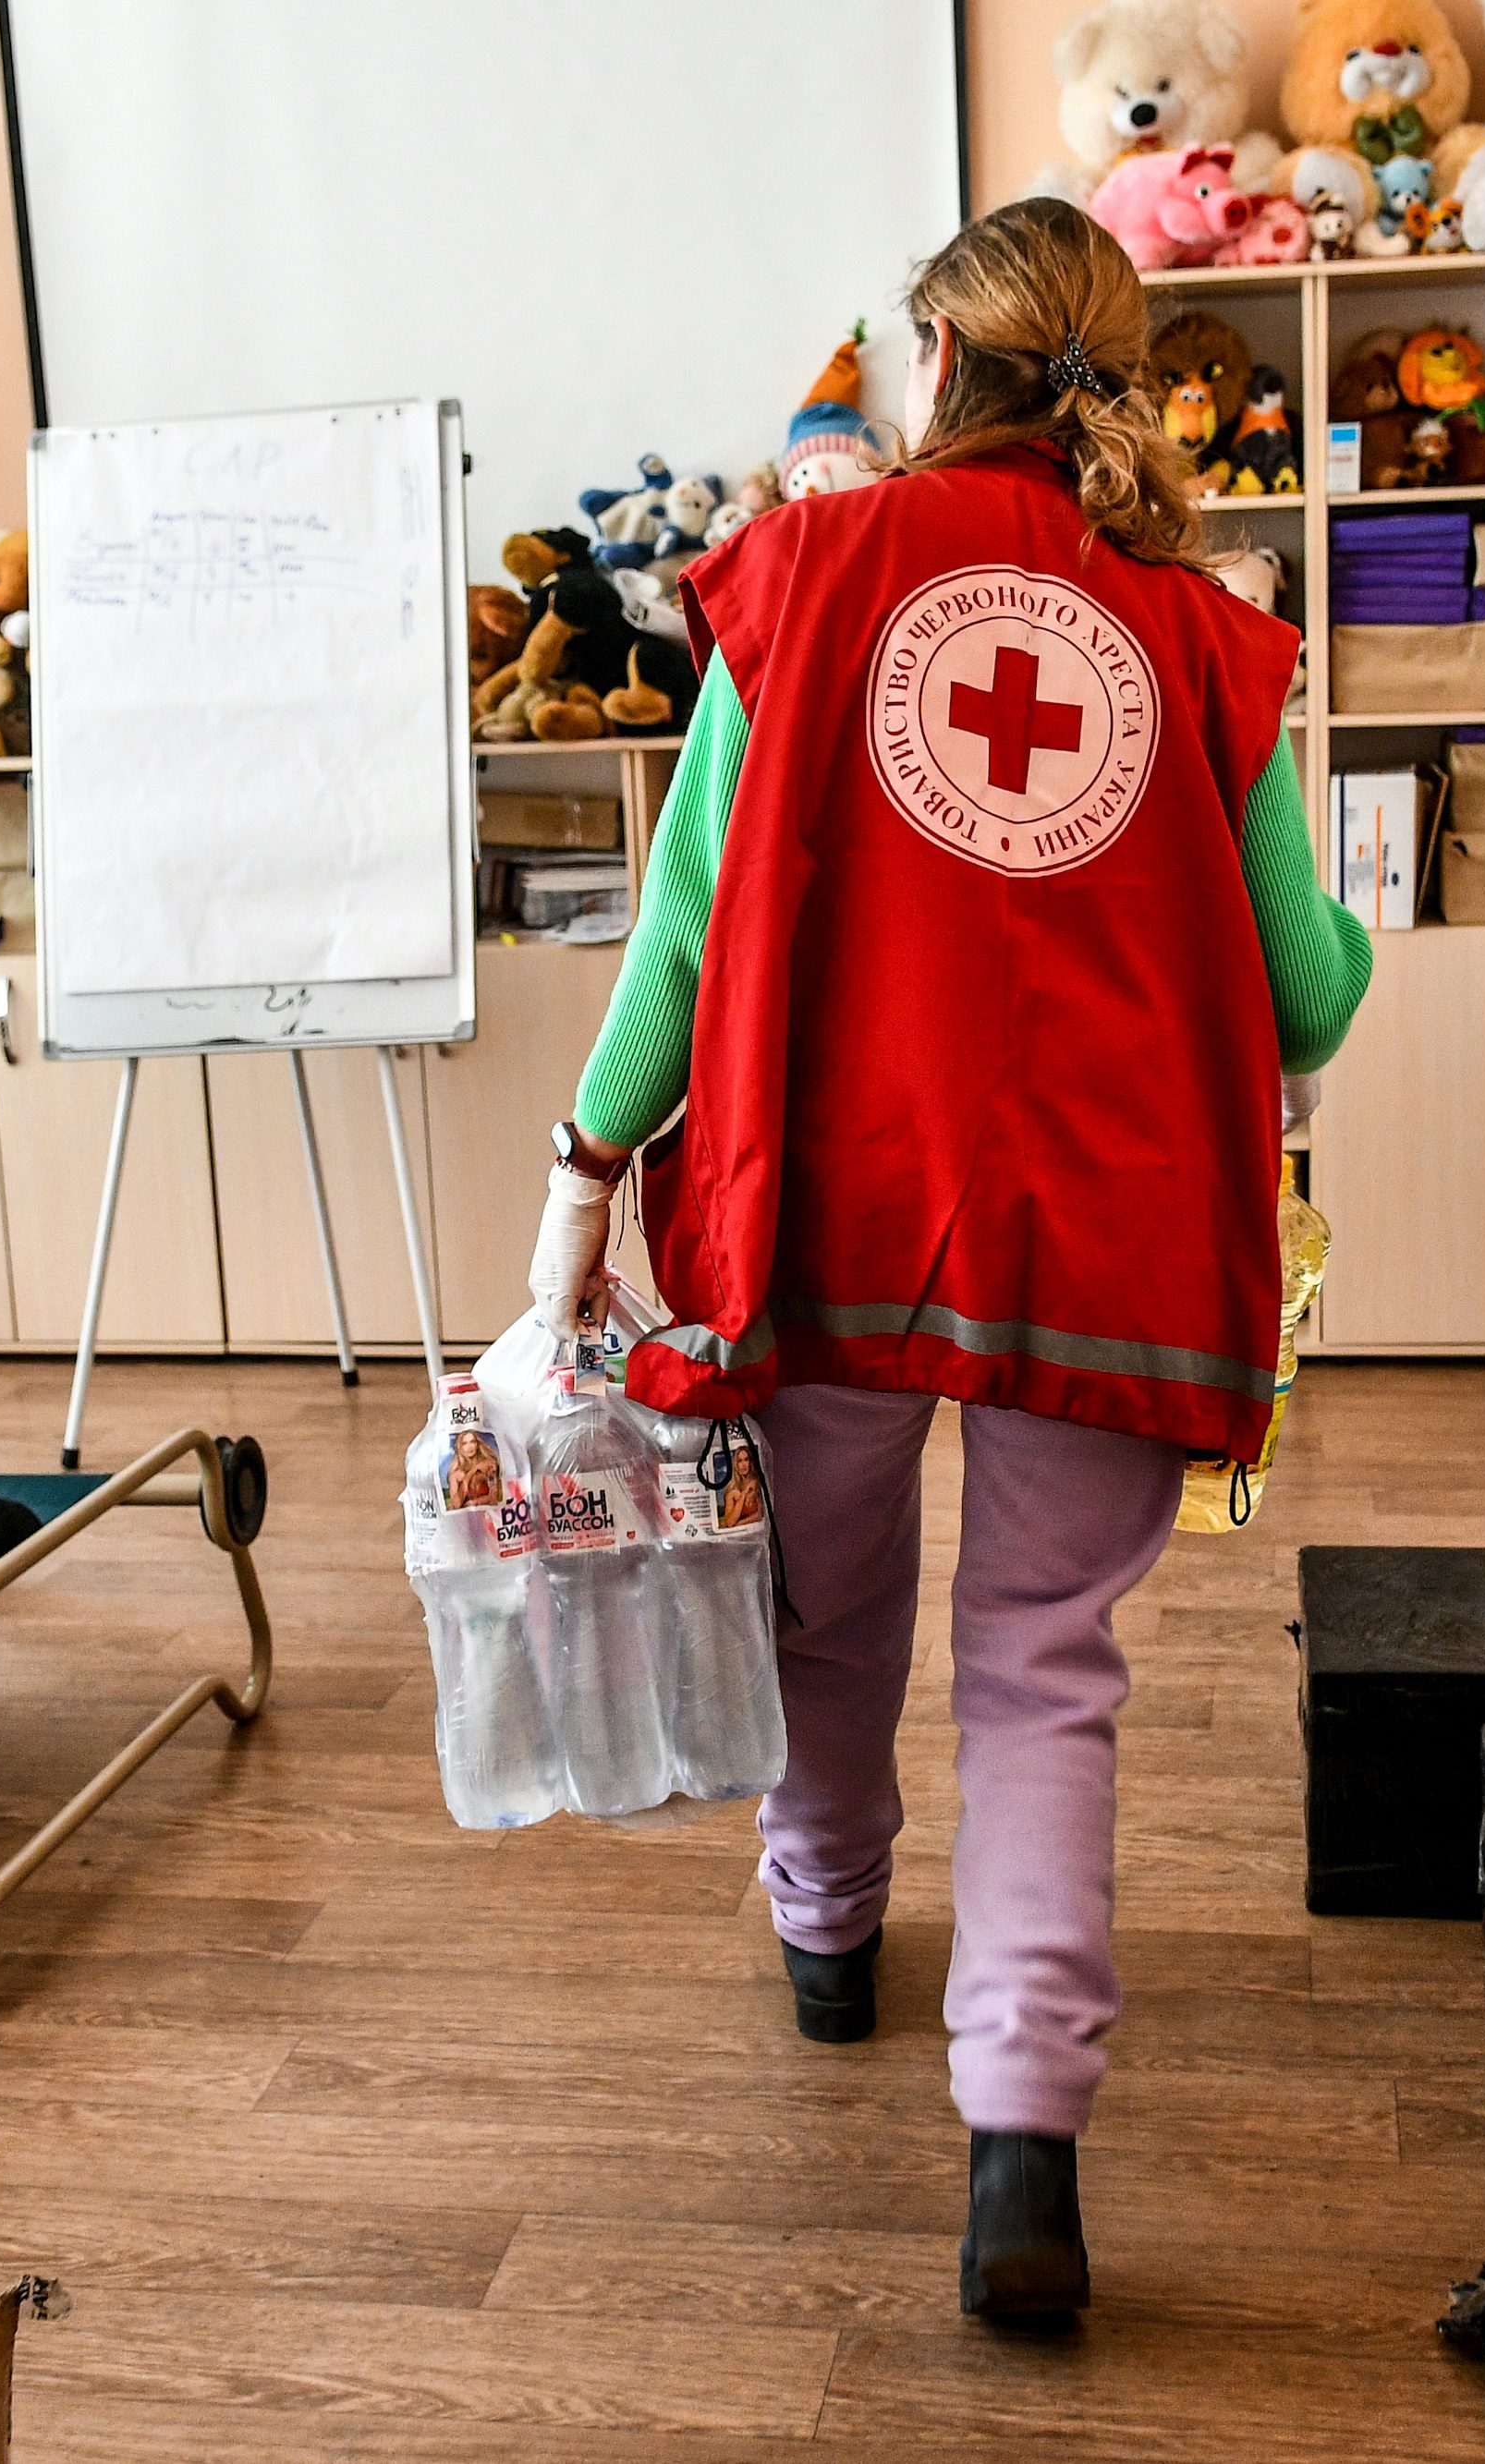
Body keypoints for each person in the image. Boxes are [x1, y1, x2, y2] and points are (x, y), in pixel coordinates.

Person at [532, 200, 1372, 2320]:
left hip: (827, 1216)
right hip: (1100, 1234)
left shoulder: (799, 576)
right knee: (1042, 1676)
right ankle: (1018, 2146)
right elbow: (1304, 992)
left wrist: (579, 1171)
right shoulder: (1201, 630)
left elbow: (683, 937)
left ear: (933, 359)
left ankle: (829, 1943)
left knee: (823, 1608)